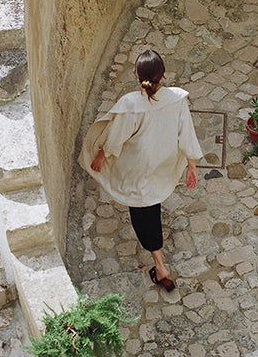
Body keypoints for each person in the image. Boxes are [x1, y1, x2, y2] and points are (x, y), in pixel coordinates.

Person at [79, 49, 203, 291]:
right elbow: (186, 133)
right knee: (151, 203)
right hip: (162, 162)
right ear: (163, 74)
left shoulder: (130, 104)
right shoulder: (176, 99)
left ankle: (159, 263)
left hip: (137, 165)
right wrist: (192, 165)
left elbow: (116, 138)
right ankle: (159, 263)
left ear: (136, 74)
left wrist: (102, 157)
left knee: (142, 210)